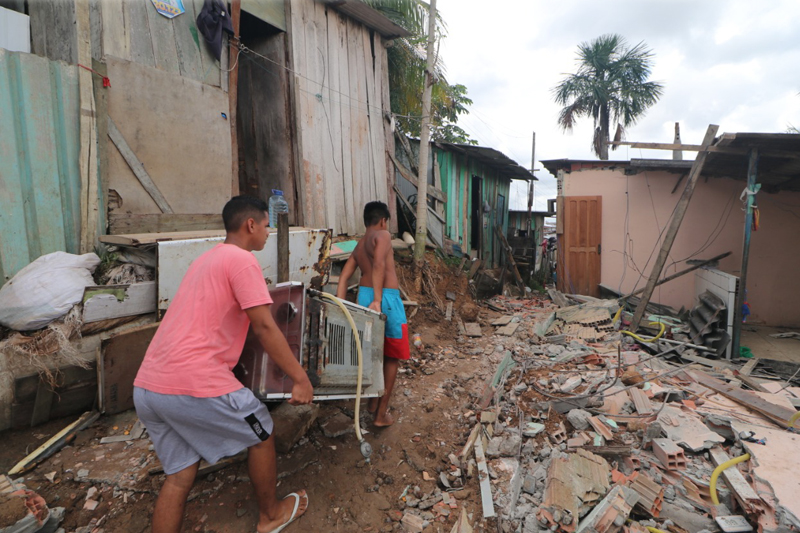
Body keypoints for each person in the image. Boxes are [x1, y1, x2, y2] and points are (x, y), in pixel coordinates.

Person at [133, 195, 313, 533]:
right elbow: (263, 326)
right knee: (261, 433)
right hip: (195, 382)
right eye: (266, 225)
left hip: (148, 386)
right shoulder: (242, 261)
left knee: (179, 476)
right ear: (251, 225)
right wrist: (299, 378)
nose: (267, 232)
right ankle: (271, 515)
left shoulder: (204, 261)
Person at [336, 201, 410, 427]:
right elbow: (379, 264)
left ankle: (371, 403)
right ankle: (380, 415)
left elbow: (344, 278)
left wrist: (341, 305)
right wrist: (378, 299)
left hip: (363, 296)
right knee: (392, 355)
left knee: (373, 354)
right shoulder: (384, 235)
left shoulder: (359, 246)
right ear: (383, 220)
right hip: (385, 298)